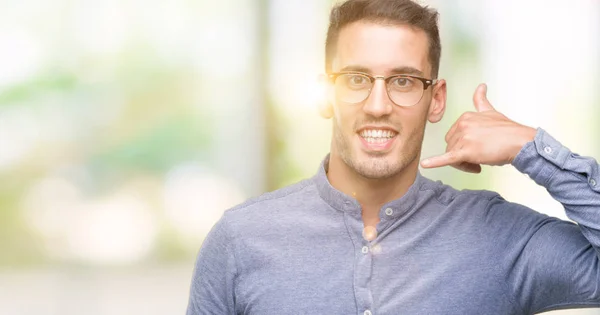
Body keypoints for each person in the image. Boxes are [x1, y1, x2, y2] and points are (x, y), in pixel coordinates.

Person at [186, 0, 600, 314]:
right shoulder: (240, 241)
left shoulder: (501, 237)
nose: (378, 105)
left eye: (403, 80)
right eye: (356, 79)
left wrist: (532, 149)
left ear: (435, 100)